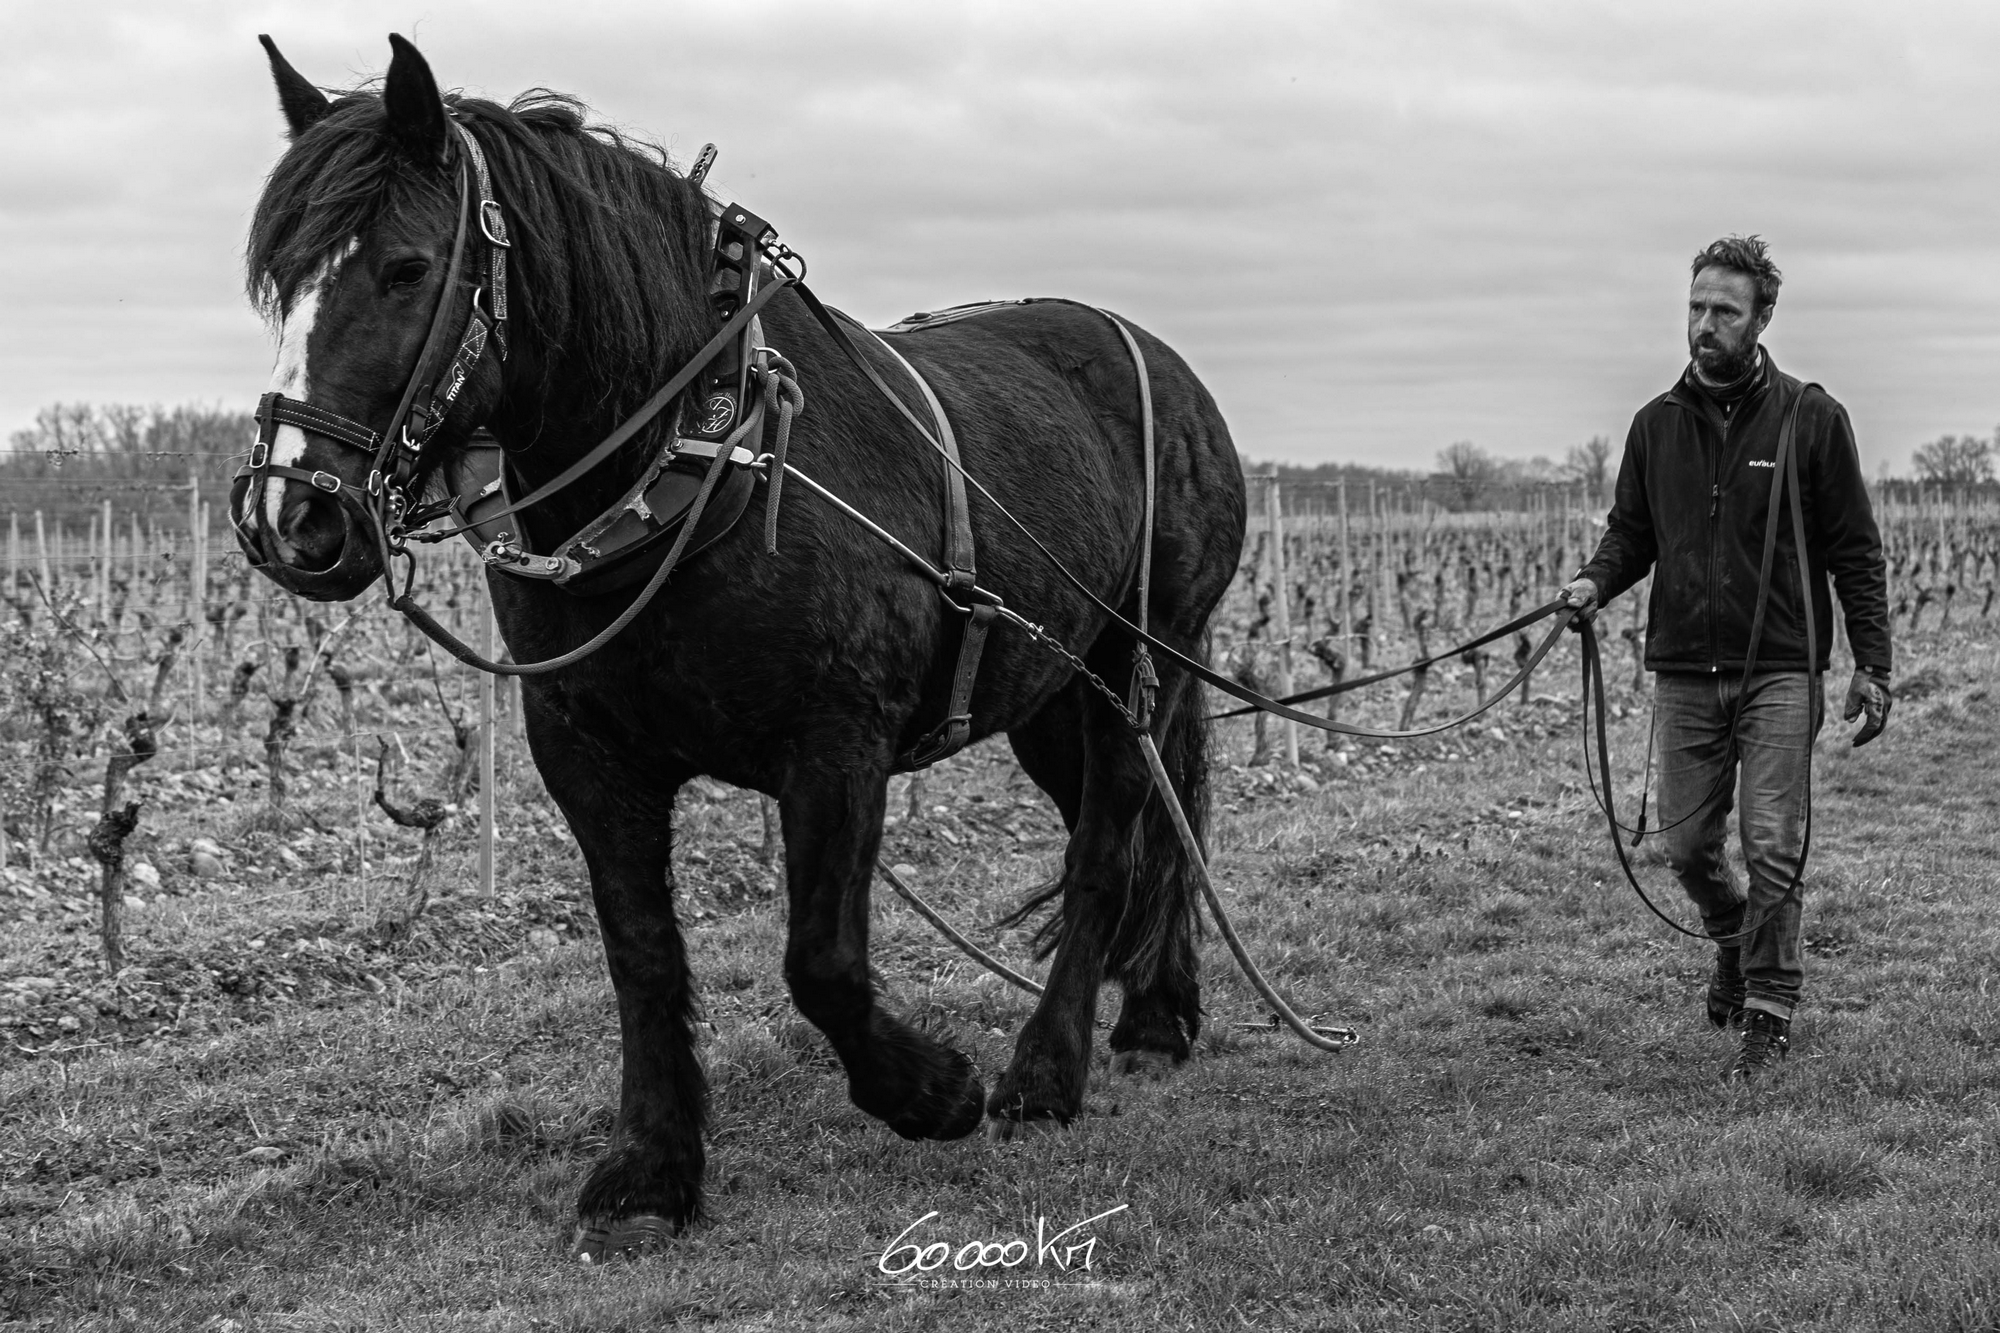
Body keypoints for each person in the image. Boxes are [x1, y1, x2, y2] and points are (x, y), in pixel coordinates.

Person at [1559, 235, 1892, 1084]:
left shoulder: (1811, 418)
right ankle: (1734, 937)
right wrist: (1595, 584)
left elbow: (1855, 550)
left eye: (1725, 312)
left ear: (1763, 318)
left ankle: (1770, 1008)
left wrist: (1873, 663)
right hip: (1682, 671)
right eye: (1697, 307)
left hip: (1780, 666)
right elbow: (1631, 535)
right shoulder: (1653, 426)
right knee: (1686, 845)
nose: (1705, 326)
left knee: (1773, 839)